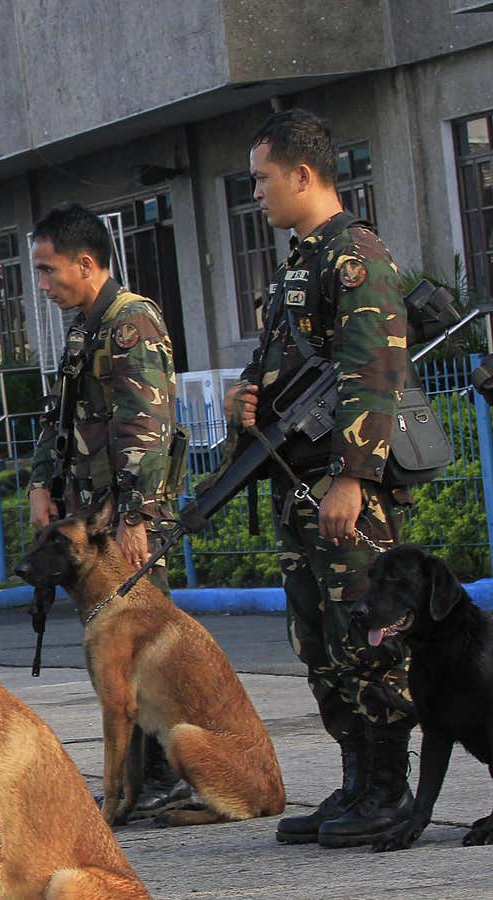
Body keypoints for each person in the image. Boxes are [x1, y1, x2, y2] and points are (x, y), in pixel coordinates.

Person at [224, 109, 414, 850]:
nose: (257, 194)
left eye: (262, 179)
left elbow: (376, 371)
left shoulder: (353, 255)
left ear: (303, 175)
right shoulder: (301, 262)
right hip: (296, 484)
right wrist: (249, 397)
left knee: (367, 637)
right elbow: (289, 364)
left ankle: (390, 789)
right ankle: (357, 780)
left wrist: (353, 478)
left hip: (340, 492)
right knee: (320, 640)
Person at [26, 202, 188, 817]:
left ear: (86, 263)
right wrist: (43, 482)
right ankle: (136, 778)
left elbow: (146, 423)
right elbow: (58, 417)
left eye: (48, 270)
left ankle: (166, 773)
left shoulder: (130, 322)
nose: (43, 285)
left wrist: (138, 518)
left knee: (145, 647)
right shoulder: (82, 327)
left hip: (125, 519)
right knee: (114, 649)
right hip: (93, 518)